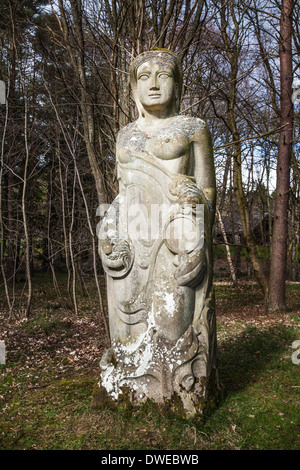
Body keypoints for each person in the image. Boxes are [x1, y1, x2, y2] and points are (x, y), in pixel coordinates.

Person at [97, 50, 218, 415]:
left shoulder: (192, 128)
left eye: (162, 75)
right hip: (132, 239)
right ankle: (126, 390)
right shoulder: (126, 135)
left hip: (174, 235)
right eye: (144, 76)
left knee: (172, 325)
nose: (153, 83)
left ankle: (181, 394)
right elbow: (122, 191)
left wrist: (199, 215)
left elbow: (208, 190)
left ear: (177, 84)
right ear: (133, 87)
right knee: (126, 327)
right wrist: (108, 227)